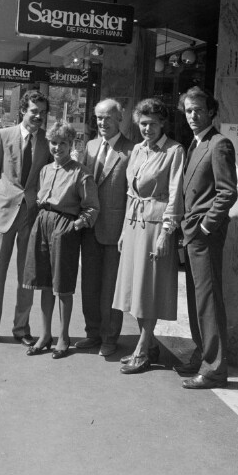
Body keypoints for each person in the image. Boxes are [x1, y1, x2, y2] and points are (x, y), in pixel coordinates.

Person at [112, 98, 184, 374]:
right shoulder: (138, 150)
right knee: (136, 289)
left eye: (153, 124)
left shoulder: (174, 151)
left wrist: (168, 232)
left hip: (156, 226)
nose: (147, 129)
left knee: (150, 288)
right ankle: (149, 343)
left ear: (162, 123)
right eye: (143, 123)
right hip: (134, 224)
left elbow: (176, 193)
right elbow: (131, 192)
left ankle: (142, 350)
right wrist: (123, 229)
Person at [176, 86, 238, 389]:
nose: (193, 115)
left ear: (211, 111)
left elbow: (227, 192)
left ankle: (214, 369)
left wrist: (205, 227)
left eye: (198, 109)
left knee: (209, 301)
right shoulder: (197, 143)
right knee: (197, 301)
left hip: (204, 235)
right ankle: (202, 353)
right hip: (192, 233)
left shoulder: (219, 144)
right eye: (188, 110)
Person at [0, 91, 51, 347]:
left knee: (27, 275)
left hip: (31, 215)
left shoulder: (46, 141)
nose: (38, 116)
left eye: (42, 113)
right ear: (23, 111)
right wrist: (3, 198)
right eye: (34, 111)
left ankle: (21, 327)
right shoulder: (3, 135)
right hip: (4, 213)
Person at [23, 121, 99, 358]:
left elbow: (92, 208)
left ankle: (64, 337)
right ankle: (45, 335)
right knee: (44, 283)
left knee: (62, 286)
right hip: (42, 223)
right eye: (54, 143)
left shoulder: (81, 172)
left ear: (71, 144)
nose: (57, 148)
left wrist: (75, 225)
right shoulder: (46, 170)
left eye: (63, 144)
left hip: (64, 226)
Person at [75, 99, 135, 357]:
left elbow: (133, 194)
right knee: (89, 284)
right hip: (89, 227)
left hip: (115, 230)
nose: (102, 123)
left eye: (107, 118)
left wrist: (126, 231)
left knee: (111, 286)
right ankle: (92, 332)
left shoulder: (132, 150)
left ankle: (110, 337)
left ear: (120, 118)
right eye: (98, 118)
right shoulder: (89, 146)